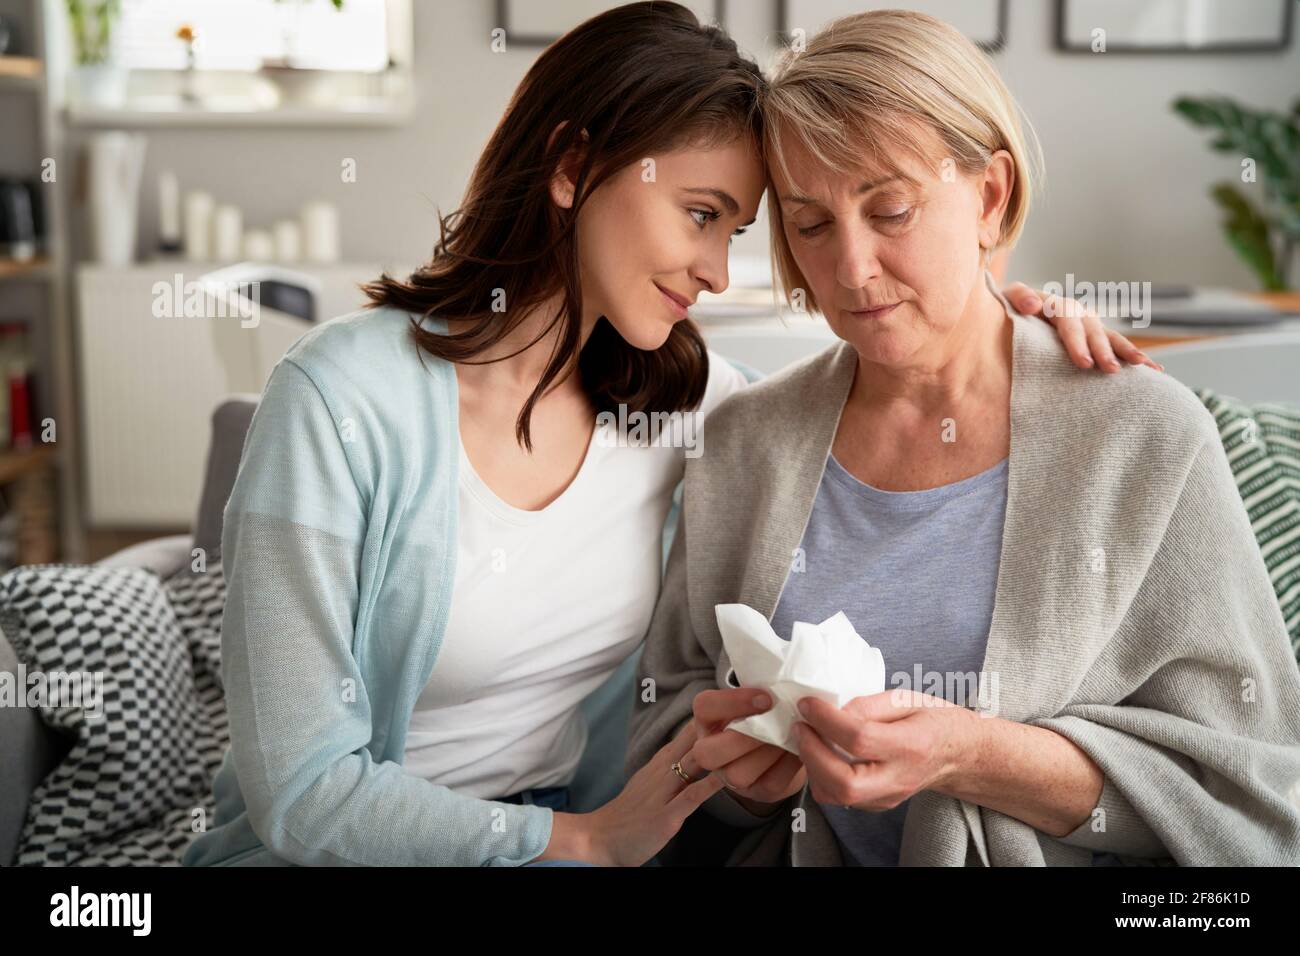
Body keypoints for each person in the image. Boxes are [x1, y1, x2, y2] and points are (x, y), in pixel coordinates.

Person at [184, 2, 1154, 868]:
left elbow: (867, 385)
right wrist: (581, 841)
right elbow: (302, 793)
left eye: (733, 231)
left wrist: (1013, 328)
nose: (716, 271)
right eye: (698, 215)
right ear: (571, 167)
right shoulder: (340, 398)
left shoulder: (687, 409)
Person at [627, 8, 1300, 866]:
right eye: (811, 223)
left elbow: (1250, 798)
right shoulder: (740, 444)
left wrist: (972, 756)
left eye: (893, 210)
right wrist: (740, 780)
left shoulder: (1144, 436)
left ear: (990, 196)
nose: (852, 268)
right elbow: (660, 733)